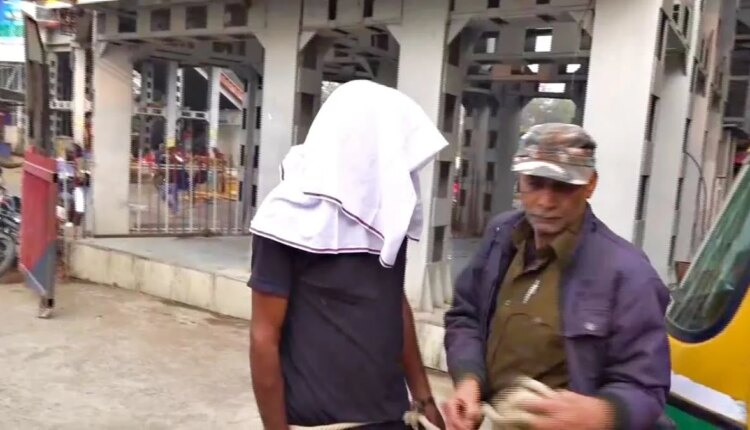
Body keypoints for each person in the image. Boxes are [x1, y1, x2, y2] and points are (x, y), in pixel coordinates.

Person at [442, 123, 672, 430]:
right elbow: (466, 315)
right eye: (534, 183)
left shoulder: (629, 274)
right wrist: (468, 381)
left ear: (590, 184)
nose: (545, 201)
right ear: (520, 180)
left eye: (562, 186)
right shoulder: (501, 236)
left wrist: (602, 413)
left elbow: (646, 387)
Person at [248, 80, 448, 430]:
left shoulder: (387, 215)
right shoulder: (286, 218)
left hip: (390, 419)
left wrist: (423, 396)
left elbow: (393, 302)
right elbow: (263, 337)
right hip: (319, 424)